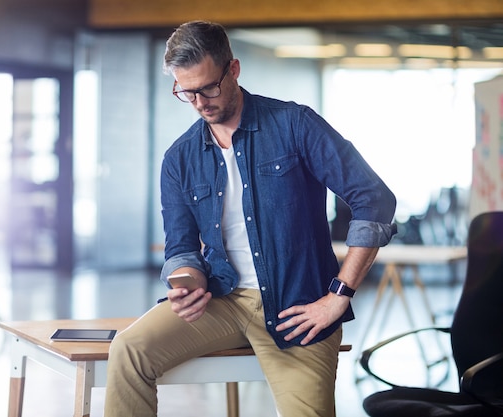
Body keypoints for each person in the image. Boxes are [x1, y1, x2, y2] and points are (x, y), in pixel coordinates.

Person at [103, 20, 396, 417]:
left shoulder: (295, 125)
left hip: (298, 307)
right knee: (128, 350)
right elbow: (181, 247)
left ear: (233, 69)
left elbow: (374, 199)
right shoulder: (180, 158)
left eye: (208, 87)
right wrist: (186, 283)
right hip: (221, 300)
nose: (200, 102)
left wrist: (338, 297)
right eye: (186, 92)